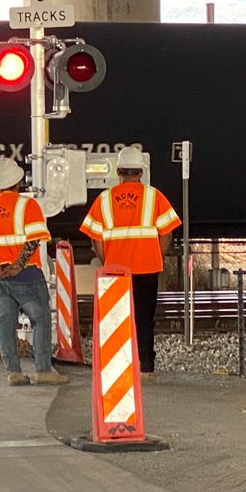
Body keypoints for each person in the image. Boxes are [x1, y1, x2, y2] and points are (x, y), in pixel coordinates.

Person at [80, 145, 180, 382]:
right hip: (147, 269)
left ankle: (118, 368)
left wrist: (109, 259)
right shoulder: (155, 196)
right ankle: (145, 368)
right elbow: (167, 234)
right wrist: (155, 254)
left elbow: (95, 236)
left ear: (118, 172)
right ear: (141, 173)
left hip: (116, 270)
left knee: (117, 320)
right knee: (144, 319)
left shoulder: (105, 199)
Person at [0, 156, 65, 386]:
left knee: (6, 322)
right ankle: (43, 370)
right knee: (41, 319)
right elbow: (33, 240)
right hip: (26, 276)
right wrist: (18, 265)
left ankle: (13, 372)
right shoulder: (27, 206)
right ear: (18, 182)